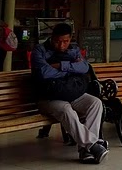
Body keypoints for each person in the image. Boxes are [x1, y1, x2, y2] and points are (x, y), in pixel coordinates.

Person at [31, 23, 108, 164]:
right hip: (49, 97)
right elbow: (45, 73)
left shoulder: (74, 50)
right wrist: (72, 69)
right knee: (66, 110)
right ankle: (92, 145)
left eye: (65, 42)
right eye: (57, 41)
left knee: (95, 103)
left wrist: (62, 65)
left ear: (70, 39)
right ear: (51, 37)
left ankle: (85, 150)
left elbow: (84, 67)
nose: (61, 46)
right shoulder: (39, 50)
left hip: (71, 92)